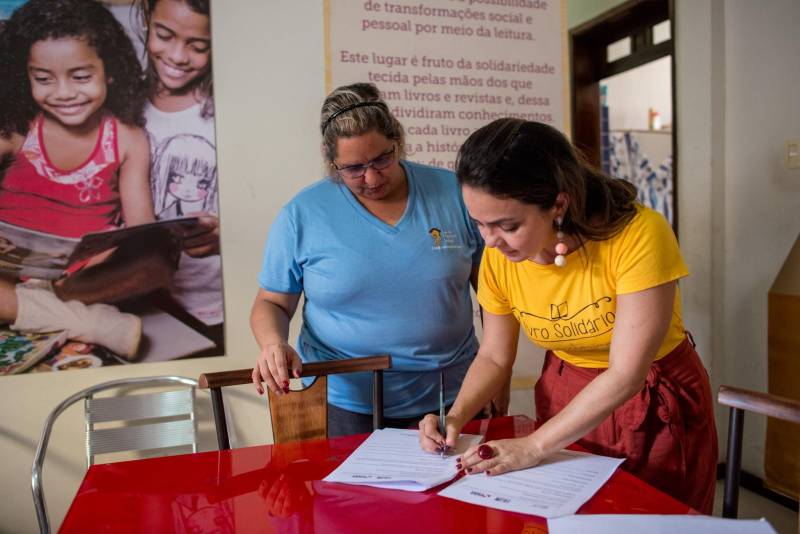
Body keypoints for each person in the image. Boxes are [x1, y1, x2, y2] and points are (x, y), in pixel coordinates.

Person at [419, 118, 717, 514]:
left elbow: (626, 373)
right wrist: (455, 417)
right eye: (479, 224)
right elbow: (494, 355)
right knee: (572, 515)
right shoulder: (499, 258)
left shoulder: (638, 235)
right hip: (566, 390)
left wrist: (535, 444)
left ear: (558, 204)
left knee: (653, 517)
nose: (490, 241)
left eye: (507, 225)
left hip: (650, 397)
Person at [251, 83, 499, 437]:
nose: (371, 177)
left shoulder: (452, 193)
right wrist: (273, 343)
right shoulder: (302, 214)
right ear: (330, 159)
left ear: (398, 140)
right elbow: (271, 301)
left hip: (455, 393)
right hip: (347, 401)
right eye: (352, 168)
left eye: (382, 159)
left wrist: (496, 372)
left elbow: (493, 293)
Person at [0, 0, 172, 357]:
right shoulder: (18, 130)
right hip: (9, 276)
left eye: (80, 76)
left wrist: (109, 252)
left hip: (78, 280)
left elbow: (141, 229)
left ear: (109, 70)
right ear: (25, 75)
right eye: (43, 79)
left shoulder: (126, 139)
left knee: (159, 258)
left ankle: (36, 309)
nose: (63, 92)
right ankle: (89, 323)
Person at [137, 0, 224, 336]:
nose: (176, 56)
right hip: (143, 302)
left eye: (198, 46)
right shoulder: (124, 100)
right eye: (163, 35)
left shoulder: (227, 109)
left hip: (214, 307)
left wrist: (228, 236)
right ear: (146, 16)